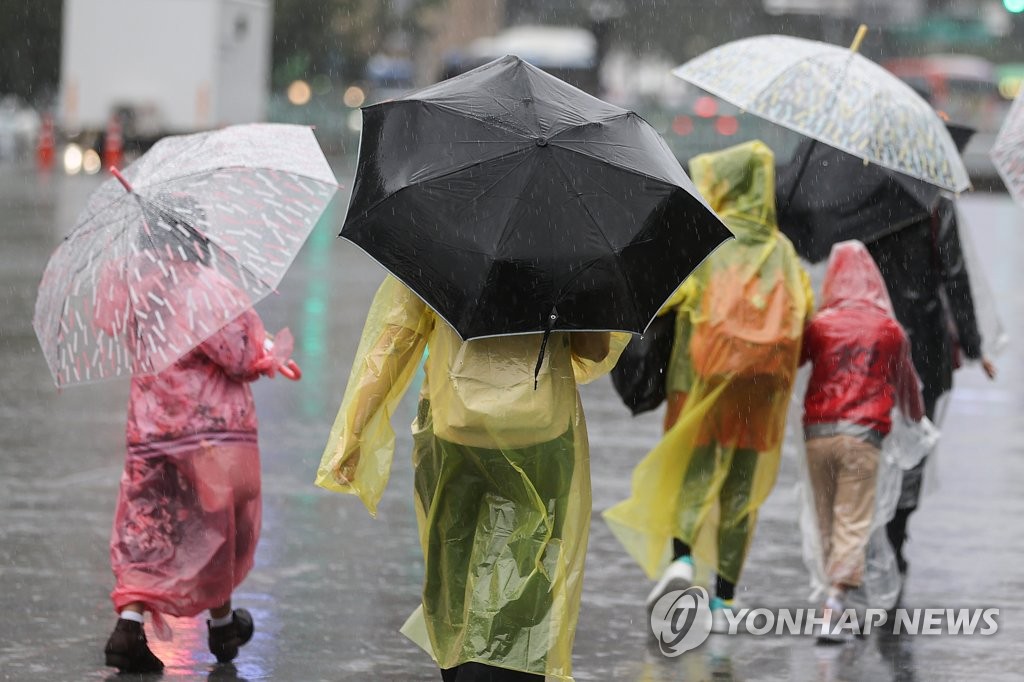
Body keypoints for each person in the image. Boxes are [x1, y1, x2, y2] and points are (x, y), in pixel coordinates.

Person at [316, 275, 626, 681]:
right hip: (538, 435)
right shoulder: (569, 241)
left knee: (454, 586)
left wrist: (354, 432)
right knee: (524, 593)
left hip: (453, 430)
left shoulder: (436, 228)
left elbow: (398, 337)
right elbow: (593, 349)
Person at [604, 140, 813, 631]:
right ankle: (725, 598)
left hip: (701, 377)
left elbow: (668, 297)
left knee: (692, 471)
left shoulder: (708, 242)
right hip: (762, 389)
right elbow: (808, 309)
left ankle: (681, 560)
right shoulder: (783, 251)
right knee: (741, 487)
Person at [95, 205, 300, 673]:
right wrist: (268, 357)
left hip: (150, 432)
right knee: (216, 529)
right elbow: (240, 354)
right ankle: (223, 624)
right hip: (208, 435)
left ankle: (129, 626)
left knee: (148, 526)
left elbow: (116, 328)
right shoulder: (209, 291)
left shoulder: (135, 290)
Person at [800, 241, 925, 641]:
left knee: (825, 518)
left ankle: (834, 598)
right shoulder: (889, 330)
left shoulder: (821, 325)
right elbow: (910, 394)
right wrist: (915, 419)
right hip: (864, 435)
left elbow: (794, 359)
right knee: (852, 520)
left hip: (818, 433)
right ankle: (836, 603)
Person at [866, 195, 996, 576]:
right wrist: (973, 344)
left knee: (870, 430)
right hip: (924, 341)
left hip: (871, 336)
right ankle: (896, 531)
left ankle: (866, 524)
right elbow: (955, 274)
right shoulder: (935, 201)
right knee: (916, 436)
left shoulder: (862, 194)